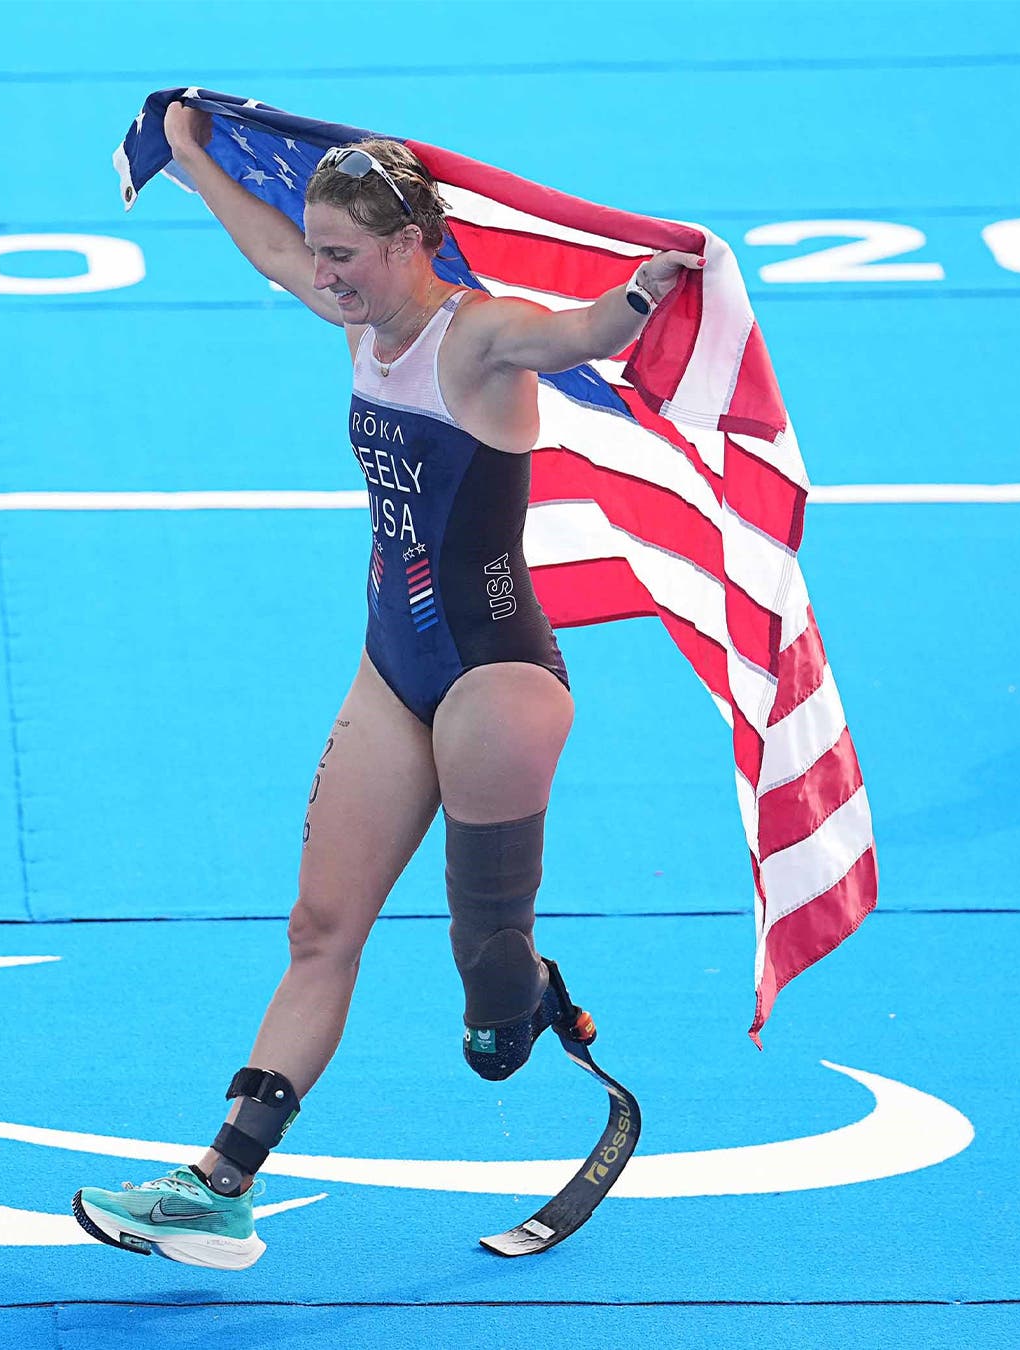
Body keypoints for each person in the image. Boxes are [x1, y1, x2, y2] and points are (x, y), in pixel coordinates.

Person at [70, 101, 701, 1271]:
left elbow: (574, 336)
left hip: (496, 684)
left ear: (411, 244)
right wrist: (196, 160)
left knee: (490, 1010)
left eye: (345, 254)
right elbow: (265, 245)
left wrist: (651, 291)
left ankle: (529, 994)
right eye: (322, 250)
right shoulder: (355, 318)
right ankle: (221, 1181)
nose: (323, 272)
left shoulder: (478, 336)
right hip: (392, 666)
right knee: (320, 928)